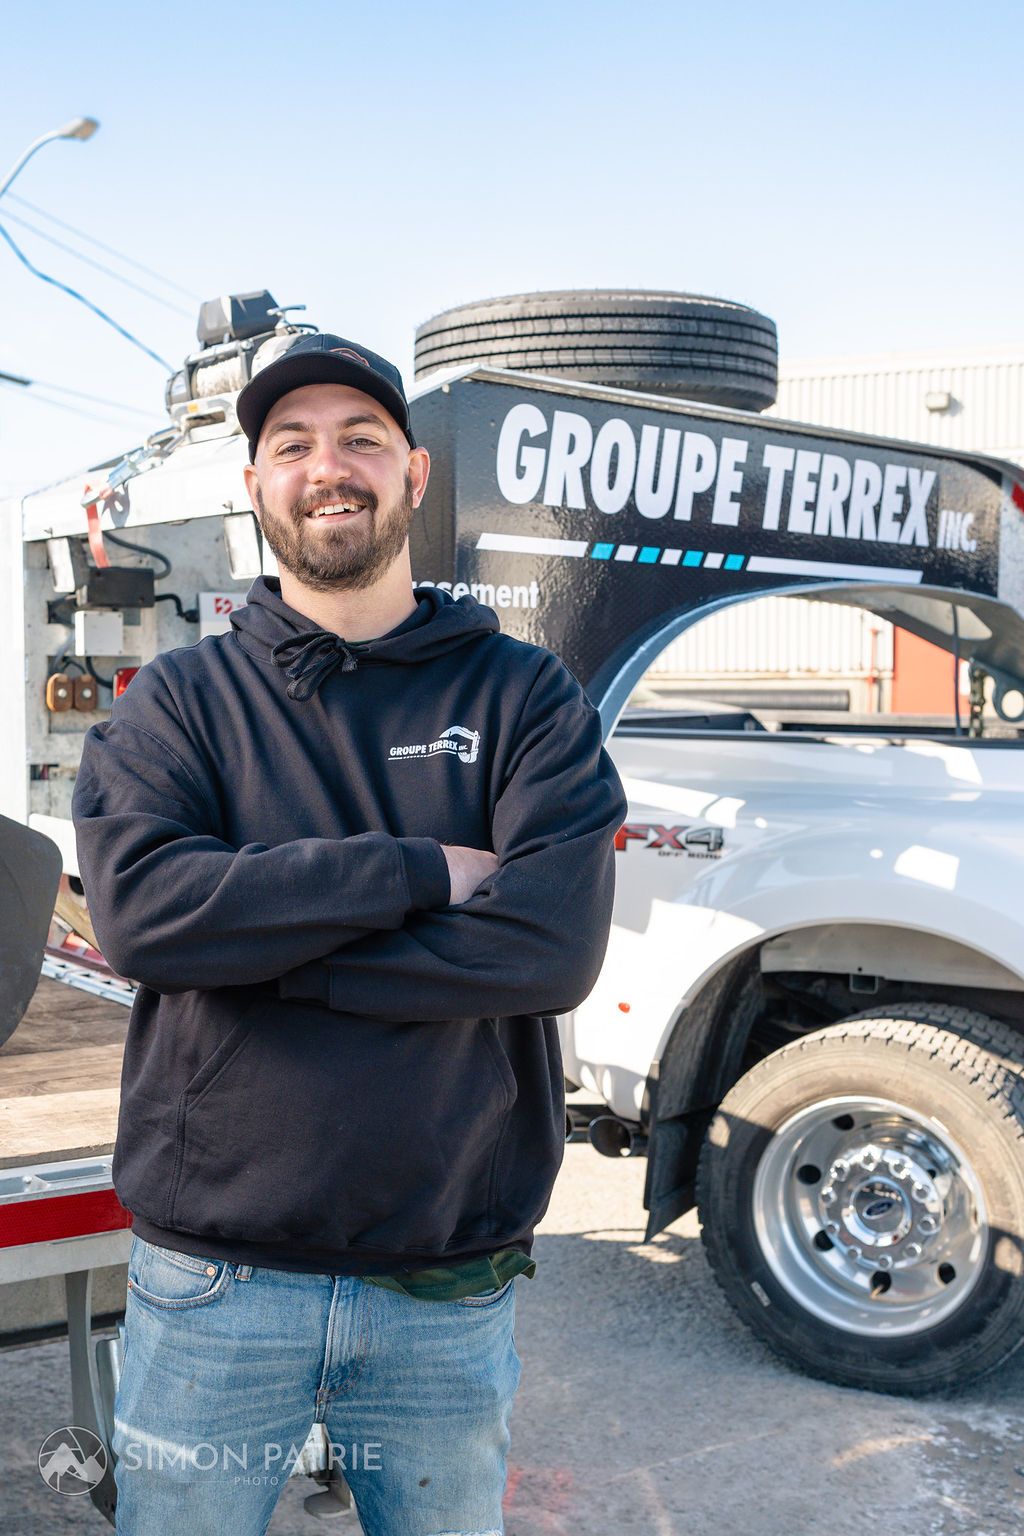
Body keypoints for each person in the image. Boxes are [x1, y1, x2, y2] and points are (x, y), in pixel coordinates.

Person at [72, 331, 627, 1536]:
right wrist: (418, 867)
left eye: (362, 439)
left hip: (443, 1278)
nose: (330, 467)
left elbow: (545, 953)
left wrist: (262, 957)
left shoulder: (523, 697)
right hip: (215, 1277)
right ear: (255, 487)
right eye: (292, 445)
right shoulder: (181, 701)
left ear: (415, 476)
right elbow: (146, 917)